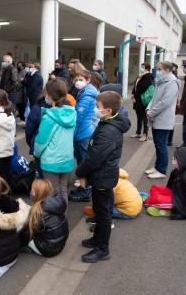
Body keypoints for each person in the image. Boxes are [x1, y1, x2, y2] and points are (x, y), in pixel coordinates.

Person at [76, 90, 131, 263]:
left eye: (97, 107)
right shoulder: (107, 122)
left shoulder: (108, 131)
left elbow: (94, 159)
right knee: (101, 211)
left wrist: (80, 172)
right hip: (102, 176)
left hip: (102, 178)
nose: (94, 109)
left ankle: (102, 249)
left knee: (103, 214)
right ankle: (97, 240)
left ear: (108, 111)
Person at [34, 78, 76, 202]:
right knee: (62, 191)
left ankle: (56, 220)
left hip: (51, 160)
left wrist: (36, 154)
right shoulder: (71, 112)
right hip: (67, 157)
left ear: (50, 95)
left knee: (53, 194)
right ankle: (63, 220)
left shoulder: (49, 117)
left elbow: (41, 141)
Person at [143, 146, 186, 219]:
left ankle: (149, 202)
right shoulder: (178, 170)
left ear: (182, 161)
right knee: (154, 188)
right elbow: (170, 186)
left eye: (175, 158)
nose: (173, 159)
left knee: (155, 200)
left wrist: (183, 214)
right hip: (177, 195)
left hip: (182, 204)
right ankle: (158, 203)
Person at [145, 61, 180, 179]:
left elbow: (165, 101)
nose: (157, 71)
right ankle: (157, 167)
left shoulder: (172, 82)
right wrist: (148, 109)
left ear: (167, 70)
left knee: (161, 145)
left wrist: (152, 112)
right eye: (157, 69)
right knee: (157, 144)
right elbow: (154, 98)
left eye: (160, 69)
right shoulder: (160, 81)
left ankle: (162, 170)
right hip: (156, 117)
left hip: (163, 118)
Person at [68, 70, 98, 202]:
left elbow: (78, 119)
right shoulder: (86, 92)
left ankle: (86, 190)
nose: (78, 82)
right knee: (83, 161)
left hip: (83, 133)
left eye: (81, 79)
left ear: (88, 80)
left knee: (83, 163)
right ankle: (84, 186)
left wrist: (70, 136)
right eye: (77, 79)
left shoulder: (86, 97)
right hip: (84, 131)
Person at [19, 179, 69, 256]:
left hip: (48, 249)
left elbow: (28, 233)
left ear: (38, 193)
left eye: (33, 191)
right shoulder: (56, 202)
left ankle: (30, 248)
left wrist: (18, 242)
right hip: (59, 244)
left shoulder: (39, 212)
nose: (31, 193)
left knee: (22, 227)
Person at [130, 62, 153, 142]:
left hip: (142, 99)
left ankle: (145, 134)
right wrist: (132, 94)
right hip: (137, 99)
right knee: (138, 116)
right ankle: (138, 132)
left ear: (147, 68)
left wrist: (135, 95)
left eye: (142, 67)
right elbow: (135, 86)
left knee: (144, 117)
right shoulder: (140, 76)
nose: (141, 68)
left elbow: (143, 88)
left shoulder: (148, 76)